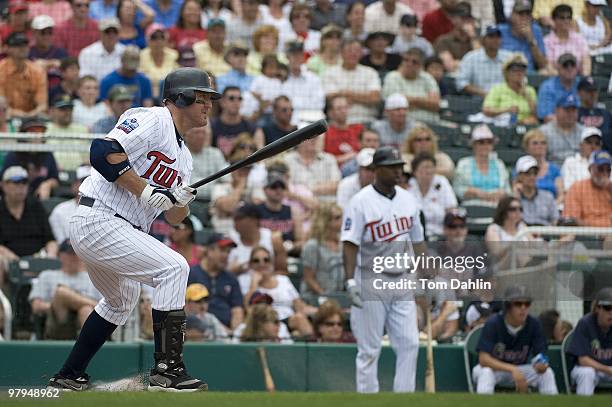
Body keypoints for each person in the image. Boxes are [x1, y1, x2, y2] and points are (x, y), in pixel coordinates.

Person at [47, 68, 221, 392]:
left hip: (119, 227)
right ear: (181, 97)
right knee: (174, 267)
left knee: (121, 299)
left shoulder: (185, 158)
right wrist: (144, 190)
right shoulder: (154, 119)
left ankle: (70, 374)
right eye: (203, 98)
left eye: (210, 99)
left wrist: (181, 201)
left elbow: (173, 218)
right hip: (99, 217)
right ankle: (167, 368)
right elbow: (101, 152)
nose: (208, 106)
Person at [342, 146, 425, 393]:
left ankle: (404, 398)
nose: (398, 172)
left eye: (399, 166)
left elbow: (418, 242)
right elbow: (349, 244)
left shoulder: (409, 199)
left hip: (402, 280)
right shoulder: (359, 202)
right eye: (391, 167)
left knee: (410, 344)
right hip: (371, 279)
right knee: (369, 350)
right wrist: (350, 282)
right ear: (377, 170)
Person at [472, 285, 558, 394]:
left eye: (527, 304)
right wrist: (513, 369)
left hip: (520, 369)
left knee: (547, 373)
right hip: (494, 369)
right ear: (508, 306)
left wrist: (542, 364)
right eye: (518, 304)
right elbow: (484, 360)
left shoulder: (534, 324)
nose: (523, 308)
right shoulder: (493, 323)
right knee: (485, 373)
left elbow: (541, 354)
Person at [29, 240, 101, 340]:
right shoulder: (48, 275)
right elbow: (36, 306)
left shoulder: (92, 278)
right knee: (61, 292)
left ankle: (91, 347)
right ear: (60, 255)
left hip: (85, 318)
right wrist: (60, 303)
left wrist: (76, 304)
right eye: (70, 253)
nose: (74, 257)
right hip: (59, 321)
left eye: (77, 253)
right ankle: (93, 305)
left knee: (85, 309)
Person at [244, 247, 314, 337]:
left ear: (271, 262)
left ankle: (314, 347)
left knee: (300, 318)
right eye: (256, 261)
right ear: (251, 265)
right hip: (266, 322)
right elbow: (248, 310)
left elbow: (298, 306)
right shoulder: (248, 284)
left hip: (289, 320)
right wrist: (254, 285)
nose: (262, 264)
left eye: (266, 260)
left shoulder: (283, 280)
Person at [0, 165, 58, 264]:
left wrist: (50, 258)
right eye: (16, 182)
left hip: (38, 259)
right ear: (3, 185)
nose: (21, 187)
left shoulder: (35, 206)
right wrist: (16, 261)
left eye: (24, 182)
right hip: (8, 261)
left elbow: (50, 240)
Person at [188, 233, 244, 332]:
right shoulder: (191, 274)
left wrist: (233, 333)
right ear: (209, 250)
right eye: (222, 250)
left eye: (228, 252)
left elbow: (237, 310)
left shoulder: (231, 278)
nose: (226, 255)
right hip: (198, 330)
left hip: (227, 334)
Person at [322, 39, 382, 125]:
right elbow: (329, 98)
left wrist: (346, 94)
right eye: (349, 50)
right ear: (341, 53)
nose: (353, 54)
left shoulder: (370, 72)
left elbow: (375, 98)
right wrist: (363, 97)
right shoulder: (330, 72)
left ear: (361, 53)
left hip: (367, 122)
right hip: (338, 124)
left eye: (357, 51)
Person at [566, 286, 612, 396]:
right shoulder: (586, 323)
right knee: (587, 373)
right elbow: (583, 360)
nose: (611, 312)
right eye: (607, 308)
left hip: (609, 370)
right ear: (597, 308)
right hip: (589, 369)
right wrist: (607, 369)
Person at [2, 119, 60, 199]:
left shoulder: (48, 154)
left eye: (41, 131)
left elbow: (55, 179)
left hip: (40, 198)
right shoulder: (14, 154)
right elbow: (4, 180)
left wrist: (47, 184)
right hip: (17, 197)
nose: (37, 135)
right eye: (33, 131)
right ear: (23, 134)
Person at [300, 202, 345, 304]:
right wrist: (325, 295)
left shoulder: (343, 243)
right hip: (315, 298)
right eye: (337, 218)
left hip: (338, 296)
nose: (342, 220)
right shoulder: (313, 245)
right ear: (325, 221)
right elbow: (309, 278)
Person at [453, 125, 510, 203]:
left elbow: (508, 190)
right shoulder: (463, 164)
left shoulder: (499, 164)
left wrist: (502, 193)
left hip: (497, 206)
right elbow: (457, 189)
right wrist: (475, 193)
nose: (485, 146)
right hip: (472, 206)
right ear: (473, 144)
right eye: (481, 142)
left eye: (489, 142)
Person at [382, 47, 441, 124]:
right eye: (406, 60)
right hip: (402, 124)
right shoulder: (392, 77)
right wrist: (424, 101)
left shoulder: (427, 78)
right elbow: (395, 105)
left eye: (414, 62)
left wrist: (409, 100)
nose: (409, 64)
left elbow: (435, 105)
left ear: (421, 66)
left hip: (429, 123)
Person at [408, 153, 458, 238]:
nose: (429, 171)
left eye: (431, 167)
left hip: (440, 235)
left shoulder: (442, 182)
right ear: (415, 171)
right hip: (414, 236)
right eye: (425, 167)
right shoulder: (409, 185)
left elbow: (452, 210)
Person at [0, 32, 48, 119]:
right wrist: (20, 115)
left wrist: (29, 116)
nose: (22, 48)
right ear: (7, 48)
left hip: (32, 119)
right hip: (6, 118)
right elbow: (1, 105)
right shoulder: (1, 70)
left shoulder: (37, 71)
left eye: (25, 45)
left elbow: (42, 106)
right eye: (17, 45)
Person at [457, 24, 512, 97]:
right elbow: (461, 82)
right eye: (491, 36)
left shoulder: (509, 57)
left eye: (498, 37)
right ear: (482, 39)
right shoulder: (471, 58)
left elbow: (521, 81)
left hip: (505, 99)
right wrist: (483, 93)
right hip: (478, 100)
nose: (495, 40)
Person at [483, 53, 538, 125]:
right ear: (507, 73)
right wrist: (507, 110)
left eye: (522, 70)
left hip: (524, 125)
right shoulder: (498, 89)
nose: (519, 73)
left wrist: (527, 96)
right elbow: (486, 110)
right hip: (502, 126)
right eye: (515, 70)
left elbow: (536, 114)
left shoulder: (530, 90)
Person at [255, 172, 304, 251]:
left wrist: (291, 246)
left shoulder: (293, 211)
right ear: (264, 189)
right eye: (274, 187)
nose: (279, 190)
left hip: (288, 255)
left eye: (282, 187)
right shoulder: (255, 211)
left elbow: (301, 242)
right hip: (263, 253)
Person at [563, 150, 612, 227]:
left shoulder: (610, 189)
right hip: (584, 235)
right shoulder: (577, 188)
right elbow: (572, 220)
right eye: (600, 169)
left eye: (608, 170)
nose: (605, 173)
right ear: (590, 169)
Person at [281, 41, 326, 124]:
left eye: (300, 55)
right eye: (294, 55)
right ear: (287, 57)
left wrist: (293, 105)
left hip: (311, 122)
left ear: (303, 57)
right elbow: (281, 107)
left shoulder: (313, 78)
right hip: (287, 125)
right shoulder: (280, 78)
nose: (297, 58)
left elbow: (320, 104)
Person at [284, 136, 341, 202]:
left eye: (317, 138)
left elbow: (336, 186)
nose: (314, 141)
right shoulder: (287, 160)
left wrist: (304, 190)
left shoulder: (329, 159)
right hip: (297, 206)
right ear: (299, 140)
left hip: (325, 207)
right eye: (311, 137)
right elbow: (285, 189)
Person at [498, 0, 548, 73]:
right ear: (512, 15)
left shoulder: (536, 30)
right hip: (504, 75)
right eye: (520, 14)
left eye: (528, 14)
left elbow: (543, 65)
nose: (524, 17)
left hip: (528, 76)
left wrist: (531, 40)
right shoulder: (500, 30)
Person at [46, 94, 90, 171]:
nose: (67, 112)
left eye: (70, 109)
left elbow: (87, 158)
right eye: (63, 109)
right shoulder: (45, 129)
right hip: (55, 173)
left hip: (79, 174)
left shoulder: (81, 129)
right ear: (52, 111)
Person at [539, 93, 585, 167]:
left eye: (573, 110)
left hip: (579, 172)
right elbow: (539, 159)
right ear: (556, 110)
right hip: (554, 172)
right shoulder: (544, 131)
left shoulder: (584, 132)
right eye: (567, 110)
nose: (570, 114)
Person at [543, 4, 590, 75]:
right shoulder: (547, 41)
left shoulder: (580, 39)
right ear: (554, 20)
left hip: (578, 80)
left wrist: (583, 78)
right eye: (562, 18)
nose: (566, 21)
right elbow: (549, 67)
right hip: (556, 79)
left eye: (568, 18)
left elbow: (586, 64)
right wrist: (567, 77)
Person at [185, 125, 228, 202]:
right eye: (197, 132)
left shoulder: (215, 153)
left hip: (214, 201)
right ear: (187, 135)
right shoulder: (181, 154)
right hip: (189, 201)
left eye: (203, 133)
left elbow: (227, 179)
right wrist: (216, 187)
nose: (201, 136)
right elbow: (188, 186)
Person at [434, 2, 480, 73]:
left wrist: (473, 37)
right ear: (453, 20)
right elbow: (450, 66)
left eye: (469, 18)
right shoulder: (443, 40)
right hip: (453, 78)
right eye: (463, 18)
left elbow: (481, 61)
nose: (467, 21)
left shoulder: (477, 39)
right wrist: (472, 64)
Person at [210, 87, 257, 157]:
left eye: (239, 98)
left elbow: (258, 152)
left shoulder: (250, 126)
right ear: (222, 102)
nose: (236, 102)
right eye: (231, 98)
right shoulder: (211, 125)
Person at [49, 165, 91, 243]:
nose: (90, 185)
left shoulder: (107, 209)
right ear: (74, 185)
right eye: (84, 181)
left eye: (93, 181)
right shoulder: (60, 211)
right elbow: (62, 244)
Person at [512, 155, 558, 226]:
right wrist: (516, 197)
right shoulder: (512, 199)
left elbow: (555, 220)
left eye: (535, 173)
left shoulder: (548, 196)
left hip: (545, 233)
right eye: (528, 173)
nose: (532, 177)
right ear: (519, 176)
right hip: (522, 234)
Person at [322, 95, 363, 169]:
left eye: (346, 107)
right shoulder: (326, 133)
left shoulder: (358, 128)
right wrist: (346, 157)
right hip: (334, 170)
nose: (343, 111)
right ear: (330, 113)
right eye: (339, 108)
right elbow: (321, 160)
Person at [140, 24, 179, 101]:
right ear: (148, 40)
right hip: (147, 96)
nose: (158, 41)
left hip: (169, 95)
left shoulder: (173, 55)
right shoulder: (141, 55)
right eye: (154, 37)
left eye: (162, 37)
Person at [520, 129, 563, 200]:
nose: (540, 146)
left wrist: (552, 207)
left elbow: (561, 195)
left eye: (543, 143)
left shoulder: (554, 169)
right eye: (535, 143)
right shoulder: (521, 168)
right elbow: (517, 190)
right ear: (527, 147)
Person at [537, 53, 580, 123]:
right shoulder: (548, 87)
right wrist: (569, 123)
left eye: (572, 65)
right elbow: (546, 117)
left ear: (576, 68)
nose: (569, 68)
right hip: (555, 127)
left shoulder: (582, 84)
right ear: (558, 68)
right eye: (565, 65)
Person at [561, 127, 604, 192]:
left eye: (597, 143)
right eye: (589, 142)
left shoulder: (607, 164)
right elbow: (568, 188)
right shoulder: (570, 162)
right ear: (580, 145)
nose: (593, 146)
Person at [577, 76, 612, 152]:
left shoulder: (605, 113)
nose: (592, 94)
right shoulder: (574, 113)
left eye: (594, 90)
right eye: (588, 91)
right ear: (579, 92)